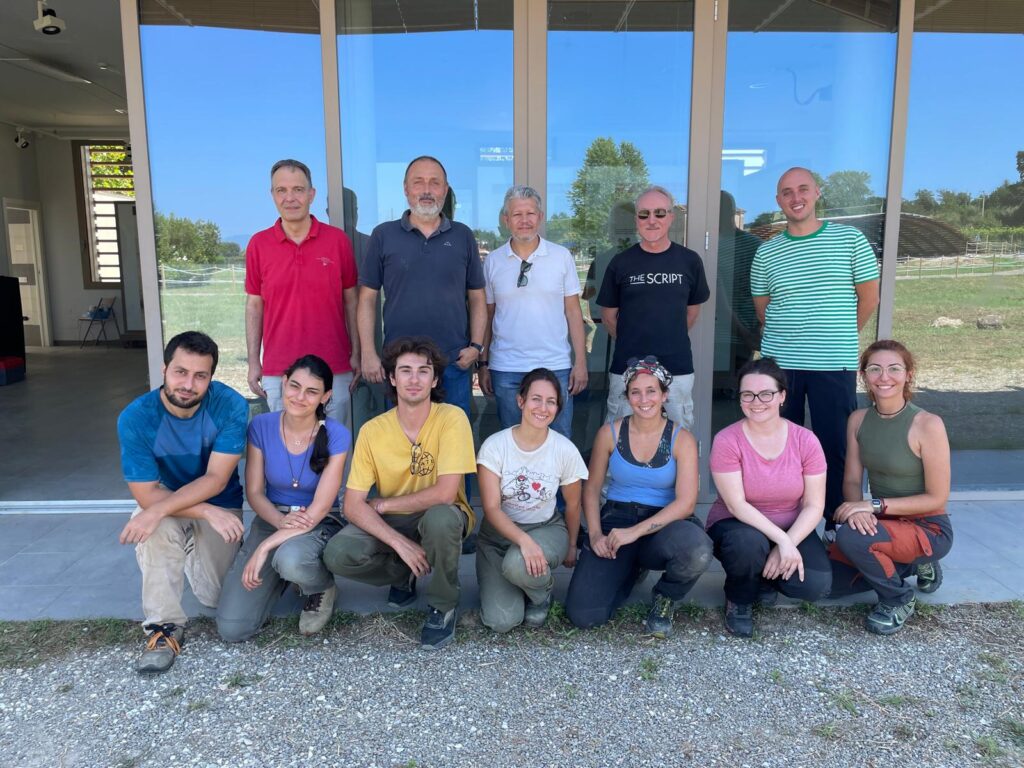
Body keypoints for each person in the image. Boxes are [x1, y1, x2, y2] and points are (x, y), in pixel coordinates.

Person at [323, 337, 477, 649]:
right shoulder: (372, 430)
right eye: (405, 371)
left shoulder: (451, 418)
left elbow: (446, 494)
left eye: (423, 371)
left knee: (441, 519)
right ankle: (403, 572)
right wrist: (399, 543)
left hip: (441, 515)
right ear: (392, 378)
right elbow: (352, 504)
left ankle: (443, 604)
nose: (414, 379)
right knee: (338, 554)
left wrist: (382, 505)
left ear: (435, 380)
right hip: (395, 522)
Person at [751, 167, 880, 526]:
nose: (796, 198)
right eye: (787, 192)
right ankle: (784, 521)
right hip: (781, 366)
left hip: (833, 362)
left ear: (817, 193)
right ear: (778, 201)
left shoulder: (850, 240)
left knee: (834, 446)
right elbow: (763, 309)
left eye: (803, 189)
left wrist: (836, 334)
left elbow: (869, 299)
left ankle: (836, 523)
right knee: (778, 445)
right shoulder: (766, 253)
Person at [117, 331, 247, 673]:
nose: (188, 384)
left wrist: (166, 510)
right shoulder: (136, 417)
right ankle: (164, 629)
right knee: (157, 528)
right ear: (164, 370)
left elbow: (216, 479)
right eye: (180, 372)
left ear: (211, 378)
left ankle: (188, 549)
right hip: (175, 500)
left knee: (214, 598)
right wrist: (199, 510)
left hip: (221, 502)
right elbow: (147, 495)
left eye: (200, 375)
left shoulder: (230, 405)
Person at [565, 356, 712, 637]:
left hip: (664, 525)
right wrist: (595, 534)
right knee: (584, 614)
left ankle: (666, 596)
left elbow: (686, 503)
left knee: (697, 549)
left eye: (651, 391)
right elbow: (592, 489)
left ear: (664, 395)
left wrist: (635, 532)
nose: (644, 399)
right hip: (617, 518)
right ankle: (629, 568)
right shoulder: (609, 433)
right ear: (627, 396)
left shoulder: (682, 439)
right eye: (635, 392)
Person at [217, 355, 351, 642]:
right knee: (232, 628)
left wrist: (264, 547)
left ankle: (321, 586)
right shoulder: (261, 426)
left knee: (290, 559)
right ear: (284, 383)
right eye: (294, 386)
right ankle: (280, 575)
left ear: (326, 396)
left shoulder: (337, 434)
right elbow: (254, 492)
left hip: (317, 522)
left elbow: (320, 508)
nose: (300, 397)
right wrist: (278, 522)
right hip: (272, 517)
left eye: (312, 391)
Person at [829, 340, 953, 635]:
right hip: (883, 523)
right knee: (829, 584)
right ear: (864, 376)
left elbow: (937, 497)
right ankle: (912, 565)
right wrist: (858, 513)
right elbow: (851, 479)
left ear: (909, 374)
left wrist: (872, 506)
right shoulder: (858, 419)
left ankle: (898, 598)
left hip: (927, 527)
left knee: (852, 540)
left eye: (894, 369)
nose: (884, 377)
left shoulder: (928, 424)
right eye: (875, 369)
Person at [706, 357, 831, 638]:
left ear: (782, 396)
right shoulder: (727, 440)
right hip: (737, 525)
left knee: (815, 584)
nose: (756, 402)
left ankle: (762, 578)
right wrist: (782, 542)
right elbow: (736, 504)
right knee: (749, 545)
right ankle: (738, 598)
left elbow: (814, 505)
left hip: (790, 525)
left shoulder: (805, 440)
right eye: (747, 394)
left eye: (766, 394)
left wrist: (789, 540)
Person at [357, 156, 486, 419]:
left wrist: (476, 346)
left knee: (453, 438)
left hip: (454, 363)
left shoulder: (462, 236)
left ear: (445, 190)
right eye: (418, 182)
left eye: (434, 183)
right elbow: (367, 298)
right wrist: (368, 353)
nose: (427, 190)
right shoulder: (383, 235)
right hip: (401, 366)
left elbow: (477, 297)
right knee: (401, 441)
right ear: (406, 189)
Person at [245, 159, 359, 428]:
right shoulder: (258, 244)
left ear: (311, 194)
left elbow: (351, 301)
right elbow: (254, 306)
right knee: (285, 445)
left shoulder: (338, 241)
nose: (290, 198)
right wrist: (253, 361)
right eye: (281, 190)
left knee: (332, 444)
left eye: (298, 189)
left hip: (334, 366)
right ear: (272, 195)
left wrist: (357, 353)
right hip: (279, 368)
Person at [476, 368, 588, 632]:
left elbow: (573, 505)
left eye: (551, 402)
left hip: (545, 528)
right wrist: (524, 542)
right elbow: (491, 508)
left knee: (517, 564)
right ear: (520, 401)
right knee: (501, 621)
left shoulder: (564, 450)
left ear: (558, 408)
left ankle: (541, 594)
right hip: (497, 538)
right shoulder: (495, 446)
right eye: (536, 399)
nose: (543, 408)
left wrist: (572, 545)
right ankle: (521, 579)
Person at [479, 186, 589, 439]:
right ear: (506, 219)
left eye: (530, 213)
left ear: (540, 217)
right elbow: (487, 316)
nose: (524, 220)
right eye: (517, 214)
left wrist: (581, 363)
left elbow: (574, 312)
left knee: (559, 443)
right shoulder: (493, 261)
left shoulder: (561, 257)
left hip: (555, 365)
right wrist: (483, 364)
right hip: (506, 368)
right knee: (512, 442)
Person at [597, 185, 710, 430]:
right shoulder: (620, 263)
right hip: (627, 367)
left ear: (671, 217)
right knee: (620, 435)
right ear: (636, 219)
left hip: (677, 367)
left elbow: (692, 313)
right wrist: (634, 341)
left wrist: (668, 337)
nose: (652, 220)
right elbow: (608, 317)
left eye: (659, 213)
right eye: (644, 214)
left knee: (678, 435)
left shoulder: (690, 261)